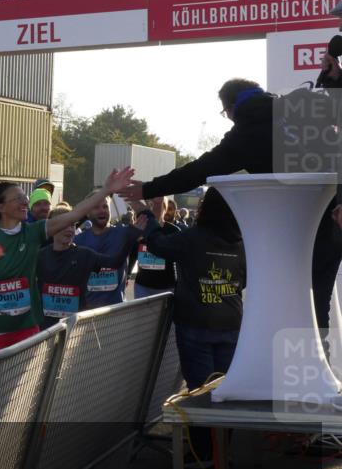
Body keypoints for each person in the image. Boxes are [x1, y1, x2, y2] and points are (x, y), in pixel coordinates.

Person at [120, 77, 341, 340]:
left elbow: (199, 171)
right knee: (318, 301)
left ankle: (302, 372)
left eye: (225, 113)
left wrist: (147, 189)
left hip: (296, 230)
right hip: (332, 222)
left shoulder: (246, 133)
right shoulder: (297, 107)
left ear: (232, 106)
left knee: (295, 305)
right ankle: (318, 371)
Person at [0, 168, 135, 353]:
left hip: (27, 328)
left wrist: (106, 190)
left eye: (25, 198)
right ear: (1, 207)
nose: (25, 202)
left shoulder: (34, 232)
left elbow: (75, 214)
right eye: (19, 199)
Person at [136, 187, 246, 462]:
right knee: (225, 392)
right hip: (230, 323)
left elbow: (159, 246)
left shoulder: (194, 238)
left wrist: (153, 217)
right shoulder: (242, 241)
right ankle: (223, 450)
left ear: (205, 210)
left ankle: (201, 455)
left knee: (199, 392)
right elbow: (244, 280)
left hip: (196, 324)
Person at [36, 204, 114, 328]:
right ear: (52, 228)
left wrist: (130, 236)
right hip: (45, 329)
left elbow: (115, 262)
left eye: (72, 225)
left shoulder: (84, 254)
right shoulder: (39, 256)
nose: (70, 229)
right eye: (64, 225)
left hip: (76, 328)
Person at [74, 192, 144, 308]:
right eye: (96, 207)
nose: (102, 210)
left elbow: (151, 225)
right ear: (87, 212)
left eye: (105, 206)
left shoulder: (124, 233)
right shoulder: (78, 240)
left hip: (115, 310)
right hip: (87, 311)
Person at [132, 196, 180, 299]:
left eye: (158, 205)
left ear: (164, 208)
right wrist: (127, 274)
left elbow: (180, 259)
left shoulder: (174, 231)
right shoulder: (139, 228)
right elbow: (132, 254)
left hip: (166, 287)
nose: (154, 208)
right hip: (143, 285)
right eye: (150, 205)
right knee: (144, 315)